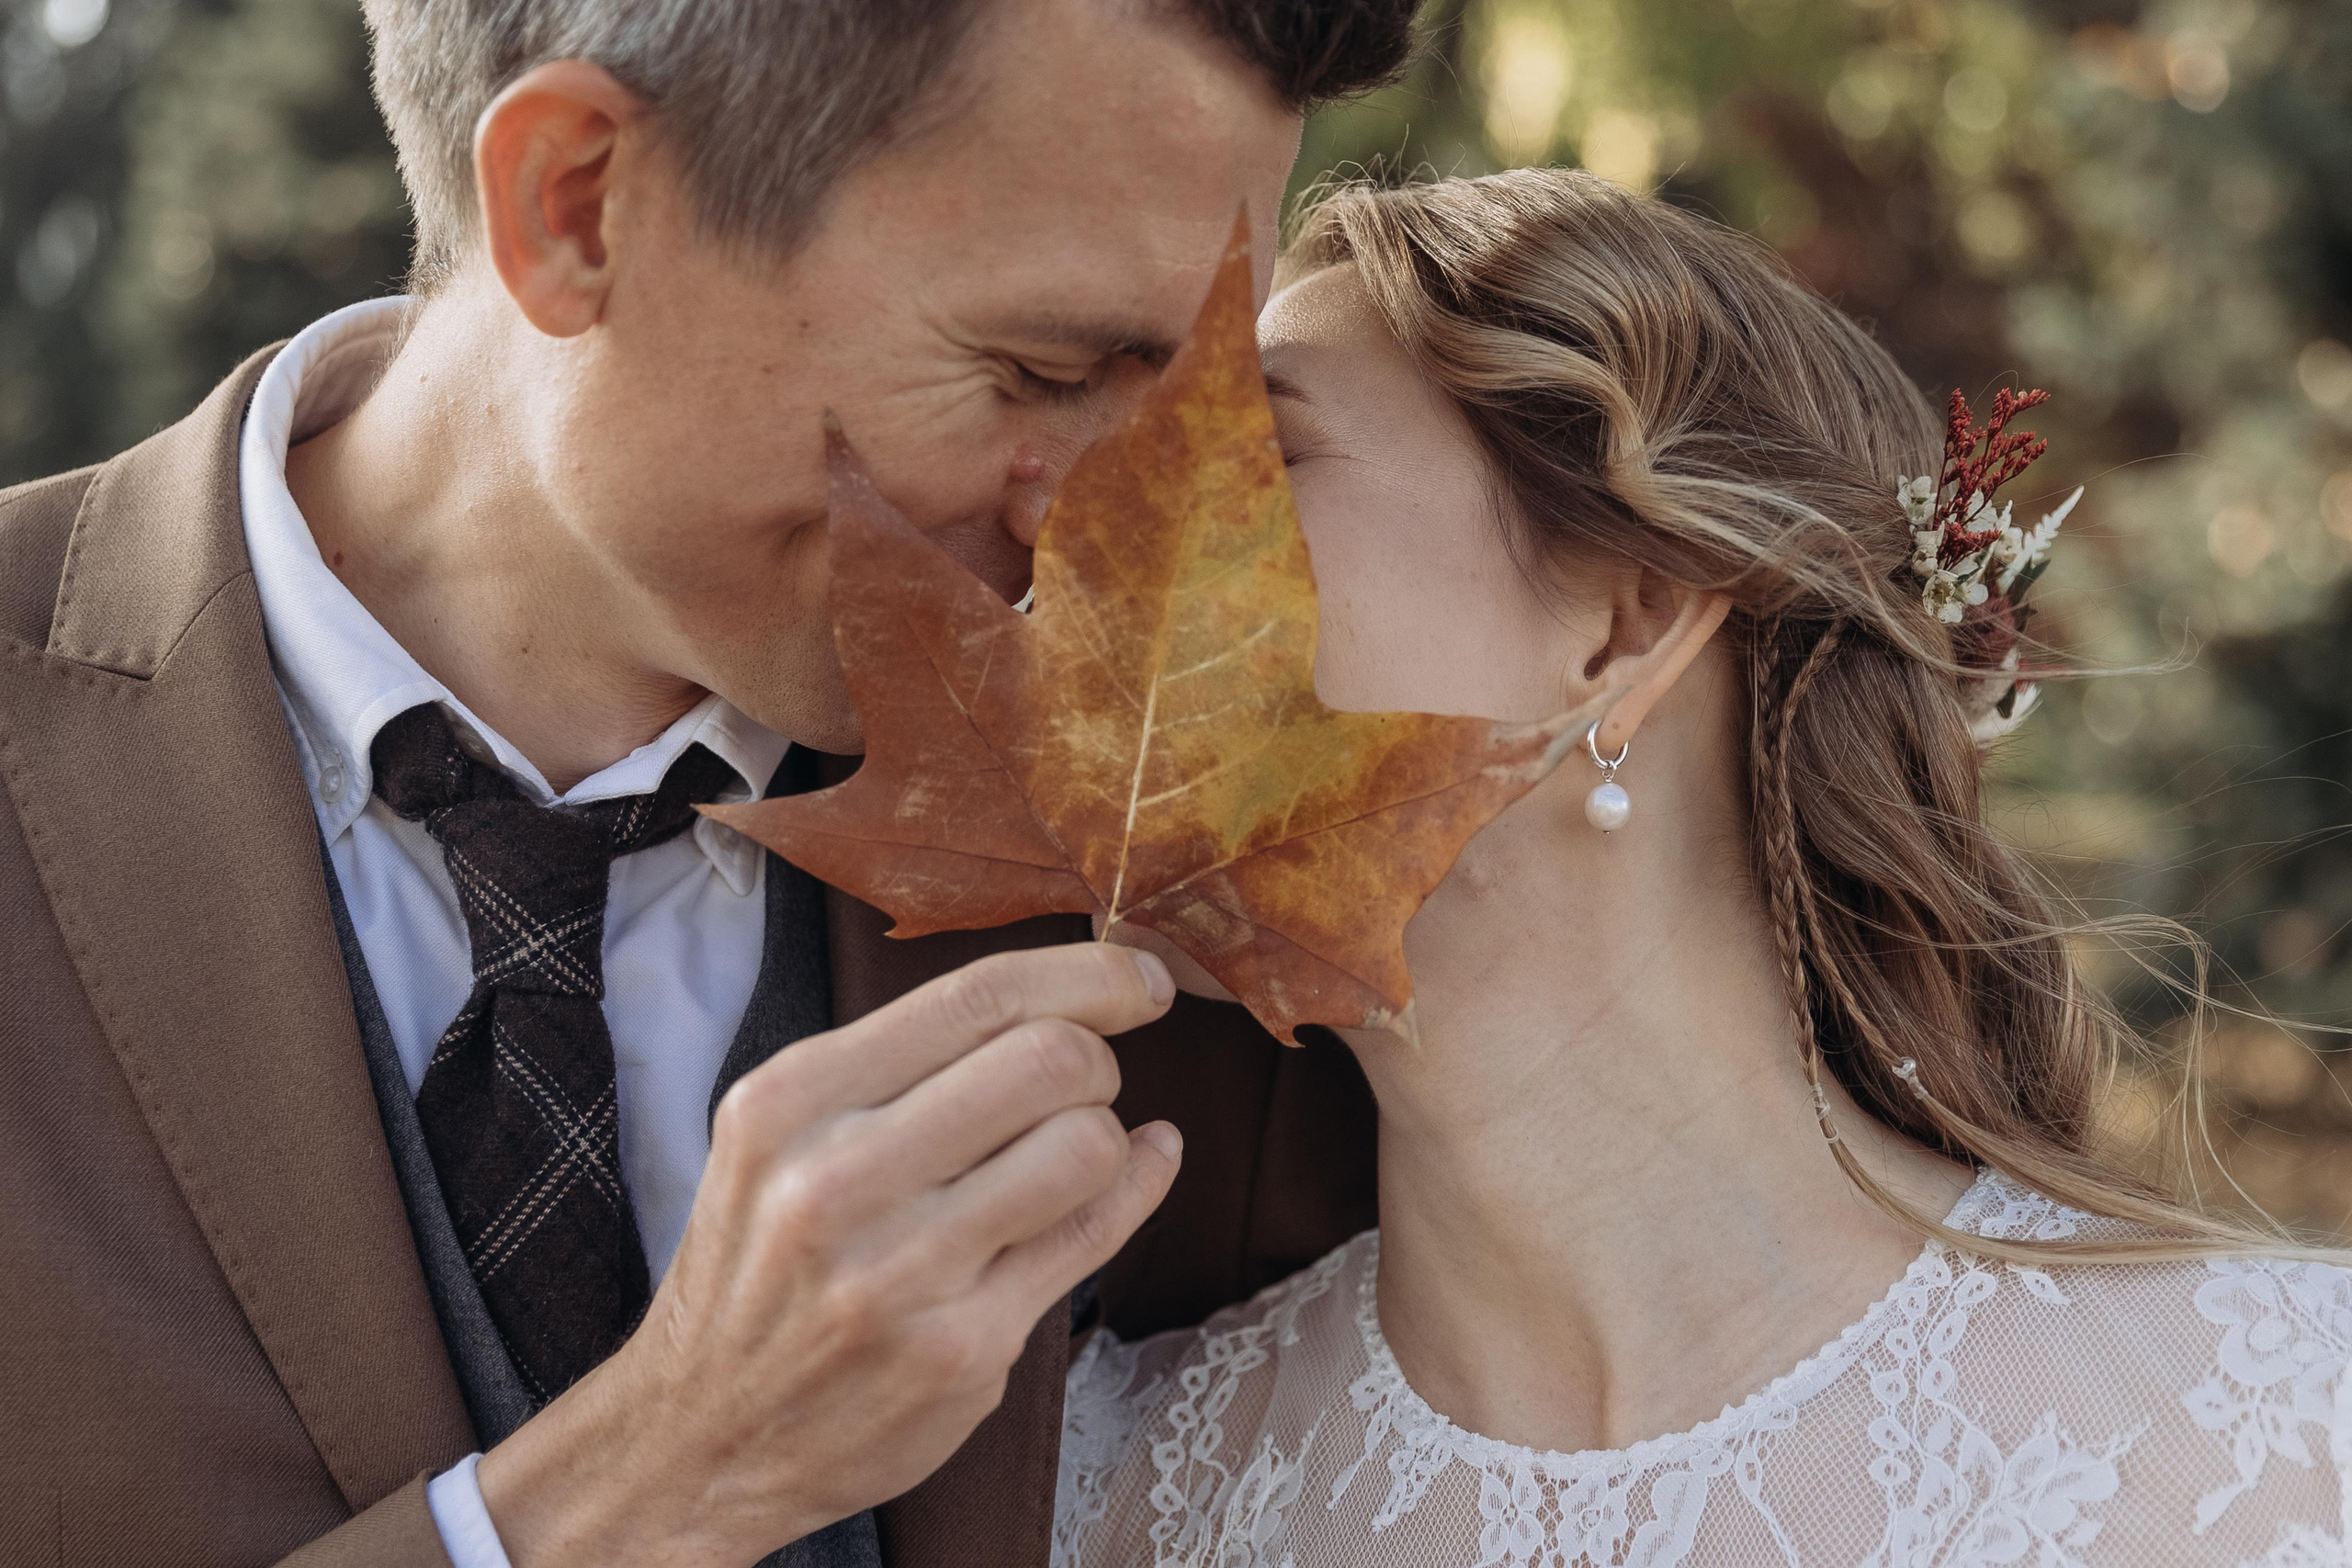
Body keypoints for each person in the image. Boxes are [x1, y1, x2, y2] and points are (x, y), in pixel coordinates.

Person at [0, 2, 1418, 1563]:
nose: (1109, 520)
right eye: (1041, 369)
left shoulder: (1202, 855)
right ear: (578, 204)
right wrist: (655, 1479)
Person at [1053, 168, 2352, 1568]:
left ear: (1628, 623)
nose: (1103, 549)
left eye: (1256, 457)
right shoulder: (1108, 1486)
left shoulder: (2270, 1434)